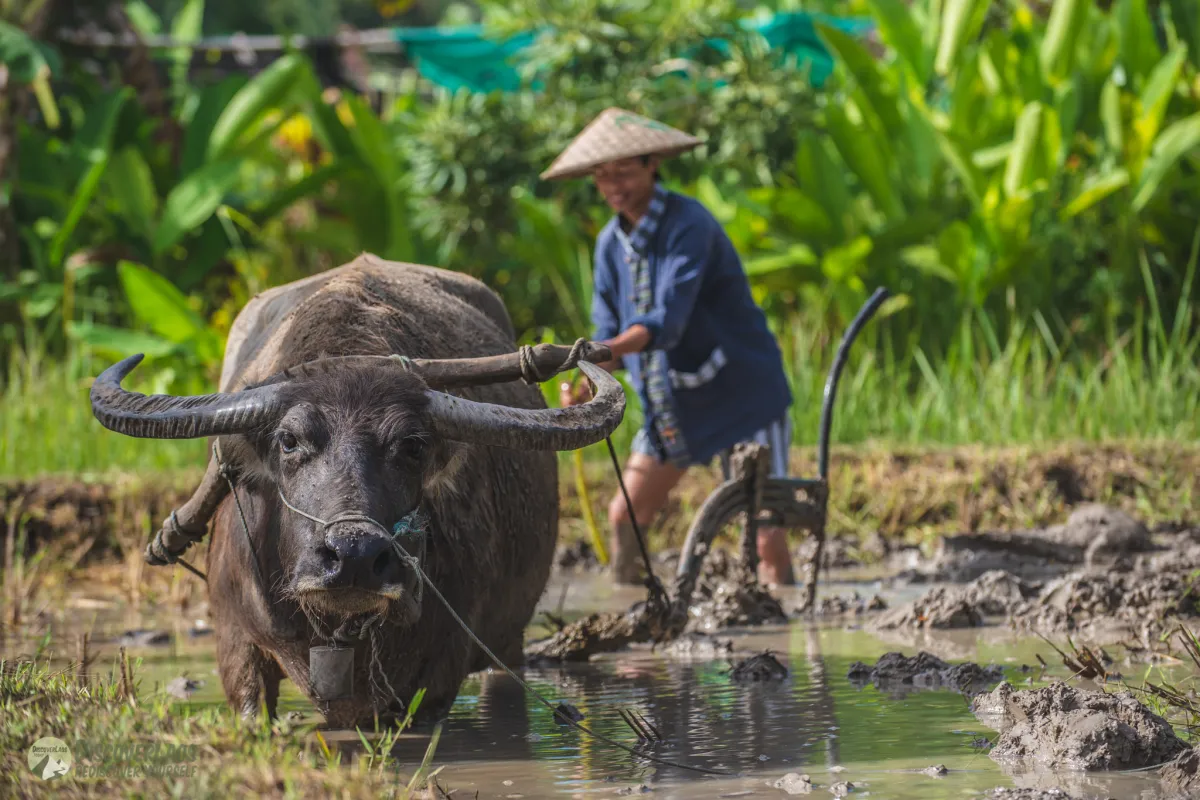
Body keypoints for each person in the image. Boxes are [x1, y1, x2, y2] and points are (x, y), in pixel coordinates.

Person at [542, 107, 796, 587]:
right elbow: (608, 331)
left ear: (652, 164)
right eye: (602, 175)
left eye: (624, 171)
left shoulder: (689, 224)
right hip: (672, 405)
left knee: (764, 532)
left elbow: (666, 322)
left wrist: (599, 353)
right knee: (624, 516)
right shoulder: (609, 244)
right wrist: (588, 379)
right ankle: (636, 607)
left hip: (739, 393)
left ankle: (781, 611)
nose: (613, 185)